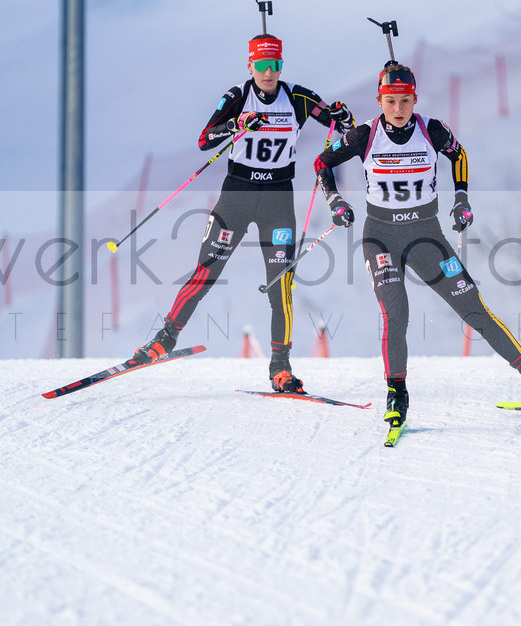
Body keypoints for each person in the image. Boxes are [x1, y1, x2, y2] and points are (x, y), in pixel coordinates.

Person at [312, 62, 521, 428]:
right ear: (379, 101)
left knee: (474, 310)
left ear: (415, 99)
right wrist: (334, 201)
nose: (398, 108)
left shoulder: (432, 130)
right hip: (381, 237)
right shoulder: (364, 135)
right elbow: (322, 162)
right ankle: (397, 394)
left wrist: (461, 199)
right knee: (397, 314)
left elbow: (459, 155)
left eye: (405, 100)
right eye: (390, 101)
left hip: (427, 236)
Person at [131, 33, 354, 394]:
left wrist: (343, 116)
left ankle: (280, 367)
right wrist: (237, 124)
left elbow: (336, 122)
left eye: (275, 65)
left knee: (281, 283)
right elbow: (205, 139)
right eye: (262, 65)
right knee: (206, 271)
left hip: (278, 200)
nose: (269, 73)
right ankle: (163, 340)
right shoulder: (237, 97)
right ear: (250, 65)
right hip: (237, 194)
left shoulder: (297, 97)